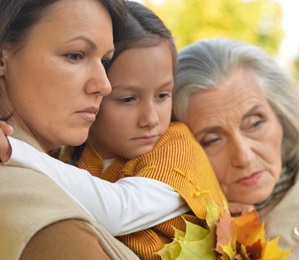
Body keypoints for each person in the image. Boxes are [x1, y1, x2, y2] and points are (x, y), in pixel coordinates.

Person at [0, 2, 227, 259]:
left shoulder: (176, 148)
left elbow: (119, 209)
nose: (102, 85)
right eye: (75, 55)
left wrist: (14, 150)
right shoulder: (69, 158)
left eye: (163, 95)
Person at [172, 38, 299, 259]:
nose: (244, 157)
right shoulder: (166, 231)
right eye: (212, 140)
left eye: (255, 123)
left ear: (283, 117)